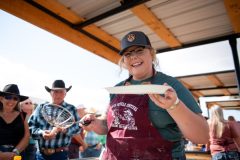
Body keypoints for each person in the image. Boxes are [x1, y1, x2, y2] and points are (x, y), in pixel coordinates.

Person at [80, 31, 209, 160]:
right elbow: (108, 126)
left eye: (139, 51)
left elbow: (202, 136)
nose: (133, 57)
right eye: (128, 54)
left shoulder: (168, 85)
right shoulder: (117, 89)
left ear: (151, 54)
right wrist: (94, 123)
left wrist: (175, 106)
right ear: (124, 60)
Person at [28, 80, 81, 160]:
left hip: (61, 154)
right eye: (55, 92)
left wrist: (65, 130)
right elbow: (31, 126)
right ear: (50, 93)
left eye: (61, 92)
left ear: (65, 93)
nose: (58, 95)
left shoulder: (71, 109)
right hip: (41, 155)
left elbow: (77, 128)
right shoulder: (41, 107)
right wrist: (42, 133)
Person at [0, 84, 30, 160]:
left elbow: (26, 137)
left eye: (15, 98)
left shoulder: (23, 116)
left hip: (17, 155)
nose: (11, 101)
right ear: (1, 99)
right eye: (8, 97)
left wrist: (15, 152)